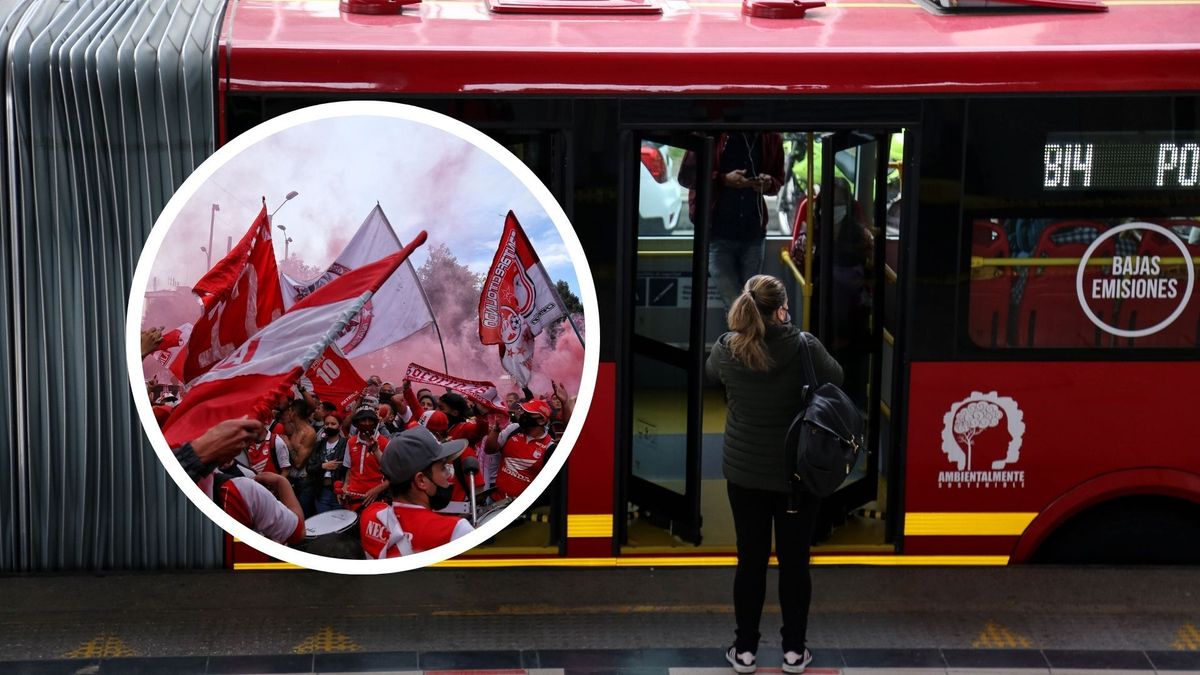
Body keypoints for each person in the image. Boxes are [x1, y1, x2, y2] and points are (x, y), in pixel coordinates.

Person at [704, 274, 842, 675]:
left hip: (745, 475)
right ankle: (794, 653)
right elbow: (838, 379)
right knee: (796, 562)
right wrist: (794, 331)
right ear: (782, 308)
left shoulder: (727, 349)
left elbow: (713, 375)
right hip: (796, 476)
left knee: (751, 560)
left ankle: (745, 651)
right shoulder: (804, 347)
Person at [680, 132, 785, 313]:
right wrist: (723, 179)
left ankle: (746, 340)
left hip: (753, 233)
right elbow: (686, 176)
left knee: (752, 305)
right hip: (717, 233)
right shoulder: (711, 133)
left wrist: (768, 183)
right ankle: (746, 340)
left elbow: (778, 179)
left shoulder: (771, 137)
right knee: (737, 306)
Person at [359, 427, 474, 557]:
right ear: (421, 481)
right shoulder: (456, 532)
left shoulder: (369, 516)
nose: (448, 476)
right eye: (442, 468)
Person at [341, 405, 390, 511]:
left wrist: (376, 490)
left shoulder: (385, 443)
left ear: (375, 422)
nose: (367, 423)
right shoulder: (351, 442)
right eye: (363, 420)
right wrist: (345, 486)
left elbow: (393, 476)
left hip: (375, 500)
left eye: (370, 420)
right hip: (352, 500)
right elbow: (349, 469)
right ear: (356, 423)